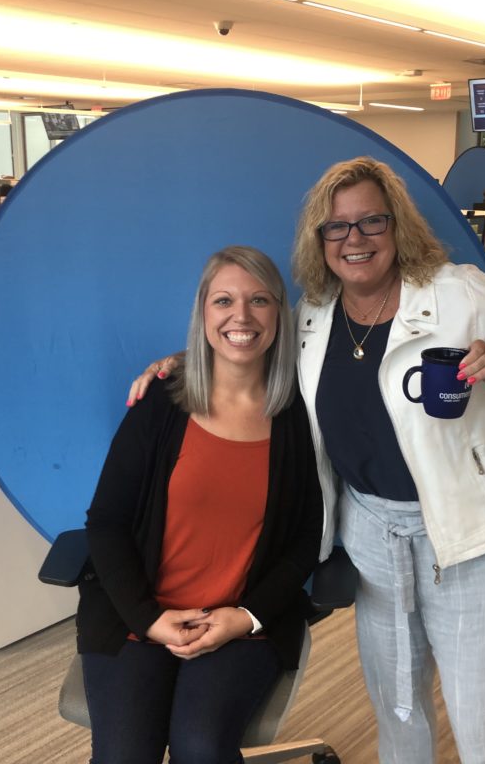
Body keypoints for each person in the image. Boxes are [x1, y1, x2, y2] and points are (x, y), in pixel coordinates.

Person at [130, 157, 485, 764]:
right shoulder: (313, 313)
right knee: (398, 710)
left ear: (398, 227)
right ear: (320, 240)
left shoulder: (457, 291)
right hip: (370, 534)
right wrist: (180, 366)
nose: (354, 239)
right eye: (336, 228)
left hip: (471, 537)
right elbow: (248, 352)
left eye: (371, 222)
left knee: (484, 727)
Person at [79, 246, 323, 764]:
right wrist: (149, 619)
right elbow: (106, 522)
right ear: (203, 313)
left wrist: (246, 617)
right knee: (124, 755)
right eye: (224, 300)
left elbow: (304, 540)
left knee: (202, 747)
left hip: (238, 624)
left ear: (279, 313)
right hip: (138, 617)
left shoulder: (296, 415)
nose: (242, 316)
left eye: (260, 300)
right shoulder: (161, 404)